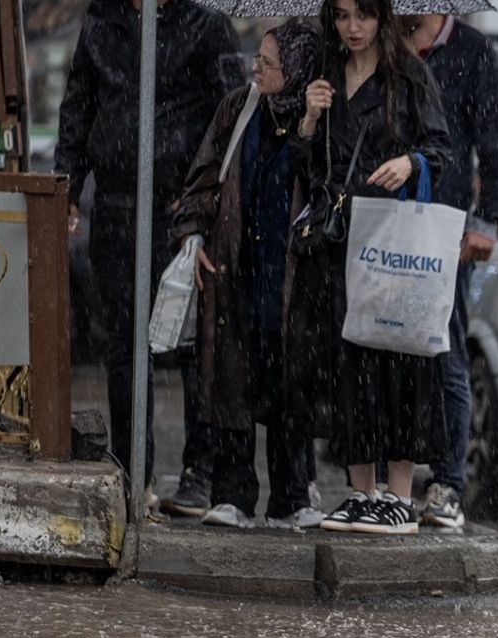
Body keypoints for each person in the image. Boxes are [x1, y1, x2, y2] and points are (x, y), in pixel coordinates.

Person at [55, 0, 238, 510]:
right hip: (116, 201)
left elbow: (230, 114)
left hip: (179, 204)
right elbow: (79, 104)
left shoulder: (205, 23)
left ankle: (200, 473)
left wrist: (205, 195)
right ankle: (134, 470)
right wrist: (69, 187)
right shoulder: (102, 22)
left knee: (191, 342)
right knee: (124, 342)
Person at [285, 0, 452, 534]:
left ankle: (399, 494)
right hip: (339, 241)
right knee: (346, 364)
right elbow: (305, 167)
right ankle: (361, 491)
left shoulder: (409, 75)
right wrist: (308, 118)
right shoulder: (324, 77)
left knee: (399, 362)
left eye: (362, 15)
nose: (352, 27)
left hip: (393, 241)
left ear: (382, 17)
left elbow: (442, 149)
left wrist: (412, 162)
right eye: (340, 16)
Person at [168, 20, 325, 529]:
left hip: (294, 279)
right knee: (232, 382)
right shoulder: (238, 109)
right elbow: (204, 176)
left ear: (297, 70)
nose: (255, 67)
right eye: (257, 58)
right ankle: (233, 493)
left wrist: (306, 131)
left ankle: (293, 497)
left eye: (268, 62)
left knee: (291, 384)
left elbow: (325, 185)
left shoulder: (319, 115)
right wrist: (193, 237)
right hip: (238, 268)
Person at [402, 13, 498, 529]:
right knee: (384, 348)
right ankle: (389, 480)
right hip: (387, 217)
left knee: (446, 350)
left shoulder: (469, 48)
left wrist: (485, 220)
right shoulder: (382, 37)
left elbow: (493, 140)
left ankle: (448, 482)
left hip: (446, 224)